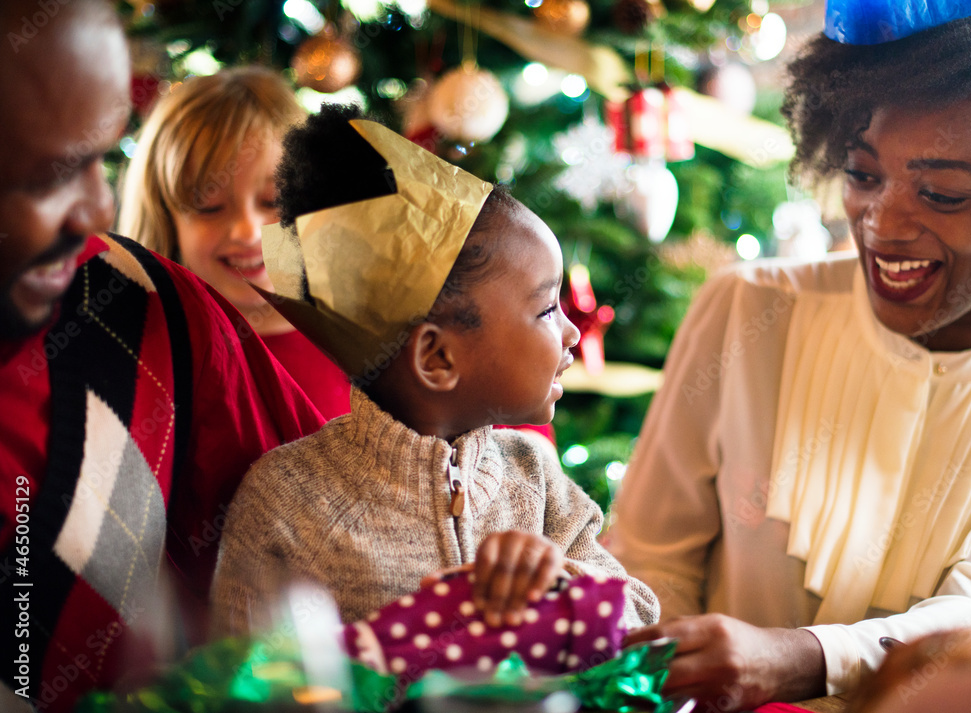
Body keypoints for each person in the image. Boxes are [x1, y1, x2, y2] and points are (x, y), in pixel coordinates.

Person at [609, 2, 971, 709]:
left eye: (940, 192)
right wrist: (665, 670)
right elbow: (647, 555)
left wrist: (801, 658)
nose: (881, 224)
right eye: (862, 174)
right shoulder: (745, 310)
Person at [210, 106, 660, 635]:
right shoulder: (286, 502)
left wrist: (563, 587)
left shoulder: (536, 479)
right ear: (437, 358)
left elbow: (641, 625)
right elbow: (241, 679)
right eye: (545, 309)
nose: (572, 332)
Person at [0, 2, 325, 711]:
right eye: (45, 174)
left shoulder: (154, 310)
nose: (94, 214)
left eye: (98, 158)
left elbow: (336, 542)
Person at [117, 66, 351, 420]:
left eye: (273, 200)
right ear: (165, 219)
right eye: (210, 206)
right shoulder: (145, 353)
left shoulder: (359, 344)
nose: (247, 231)